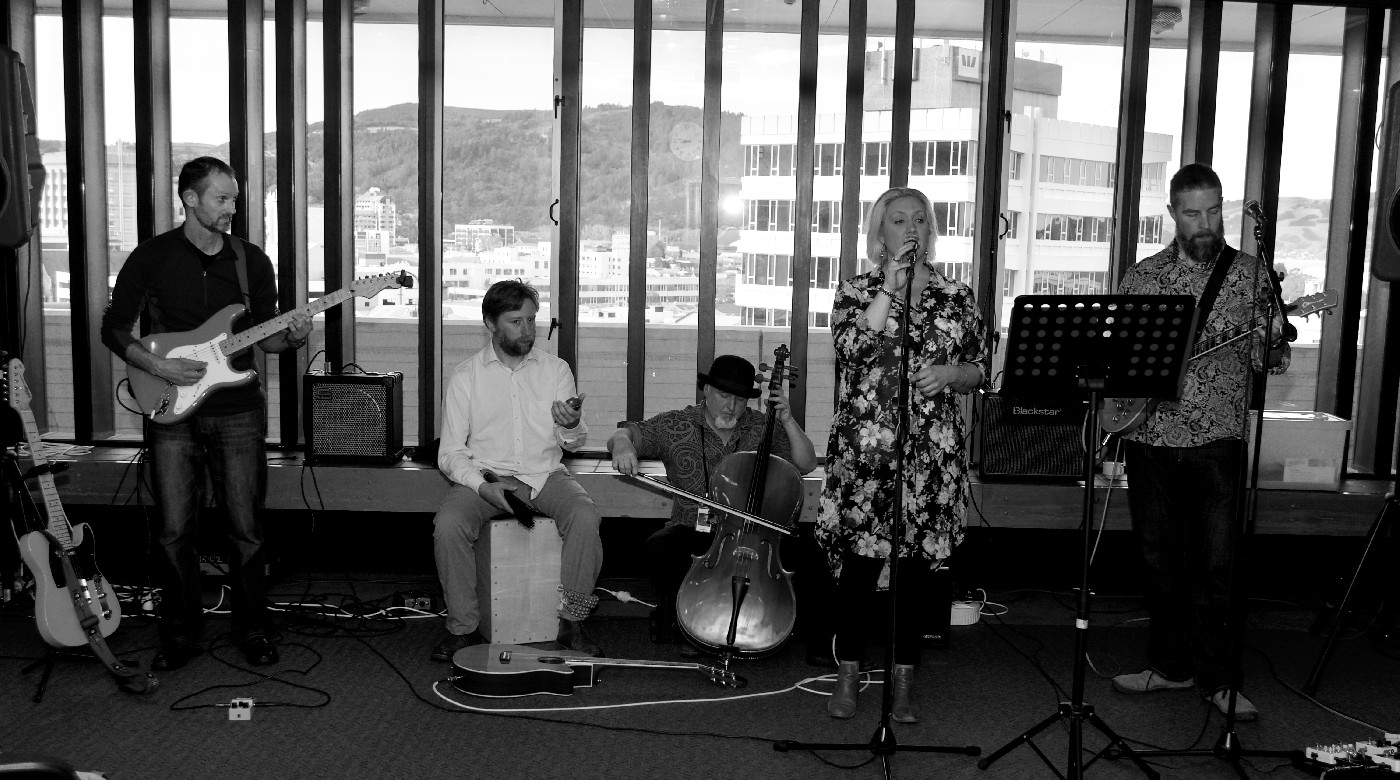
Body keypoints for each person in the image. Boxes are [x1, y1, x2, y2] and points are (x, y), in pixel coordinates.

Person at [101, 156, 312, 670]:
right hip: (171, 408)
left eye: (234, 198)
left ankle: (253, 628)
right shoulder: (151, 257)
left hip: (238, 410)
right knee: (175, 530)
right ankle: (180, 635)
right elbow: (114, 327)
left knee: (247, 529)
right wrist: (158, 366)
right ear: (190, 199)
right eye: (222, 198)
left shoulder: (250, 260)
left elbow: (268, 337)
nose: (231, 208)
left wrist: (294, 337)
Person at [1110, 162, 1287, 722]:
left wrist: (1273, 339)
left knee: (1217, 566)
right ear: (1172, 214)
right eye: (1193, 214)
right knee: (1159, 559)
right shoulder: (1142, 278)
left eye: (1213, 211)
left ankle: (1219, 679)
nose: (1206, 223)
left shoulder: (1251, 276)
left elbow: (1270, 360)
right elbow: (1118, 360)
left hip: (1219, 437)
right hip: (1152, 437)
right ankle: (1169, 666)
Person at [815, 187, 989, 722]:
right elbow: (850, 350)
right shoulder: (855, 290)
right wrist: (889, 289)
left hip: (930, 455)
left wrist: (951, 373)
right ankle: (848, 672)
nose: (910, 228)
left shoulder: (956, 297)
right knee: (860, 566)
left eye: (919, 219)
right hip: (867, 455)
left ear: (930, 230)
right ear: (879, 233)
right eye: (898, 220)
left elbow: (980, 370)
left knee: (914, 573)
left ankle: (904, 679)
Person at [607, 355, 829, 664]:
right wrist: (622, 444)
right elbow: (626, 432)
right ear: (707, 390)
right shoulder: (677, 424)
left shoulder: (762, 426)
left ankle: (820, 643)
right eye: (724, 395)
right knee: (660, 547)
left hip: (757, 531)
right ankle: (690, 628)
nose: (731, 406)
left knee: (812, 554)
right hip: (694, 529)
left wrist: (788, 420)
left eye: (740, 399)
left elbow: (805, 464)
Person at [429, 279, 604, 661]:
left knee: (585, 516)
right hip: (487, 476)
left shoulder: (556, 370)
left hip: (545, 474)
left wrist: (572, 424)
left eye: (530, 320)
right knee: (449, 525)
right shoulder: (465, 376)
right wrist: (482, 487)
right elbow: (451, 453)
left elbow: (572, 443)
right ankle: (463, 628)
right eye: (515, 321)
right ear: (490, 324)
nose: (527, 330)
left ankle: (571, 622)